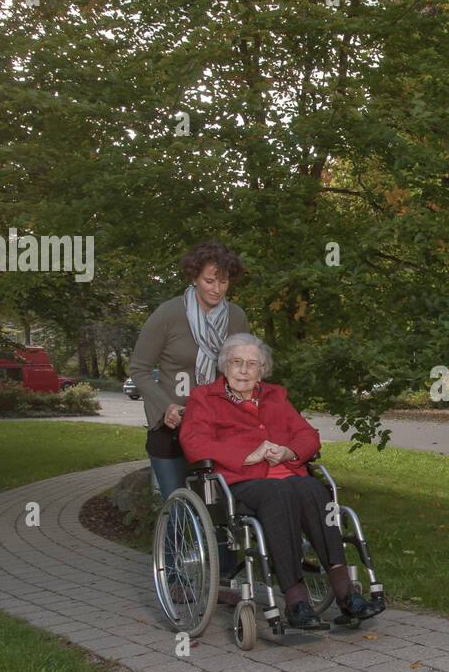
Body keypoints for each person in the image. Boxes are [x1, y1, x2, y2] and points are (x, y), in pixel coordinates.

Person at [179, 333, 380, 629]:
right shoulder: (204, 398)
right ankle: (296, 600)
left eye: (252, 364)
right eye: (237, 362)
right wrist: (248, 455)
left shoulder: (276, 396)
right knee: (278, 492)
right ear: (224, 365)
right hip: (240, 484)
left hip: (290, 478)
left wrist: (289, 451)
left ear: (263, 370)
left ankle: (345, 591)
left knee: (312, 487)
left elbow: (308, 435)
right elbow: (193, 443)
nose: (244, 370)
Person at [131, 242, 248, 594]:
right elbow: (138, 370)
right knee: (178, 503)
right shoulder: (168, 315)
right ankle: (176, 578)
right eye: (210, 281)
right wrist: (165, 406)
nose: (217, 289)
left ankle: (224, 576)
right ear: (194, 278)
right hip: (172, 425)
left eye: (223, 282)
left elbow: (244, 368)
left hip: (217, 425)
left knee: (223, 503)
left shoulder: (236, 317)